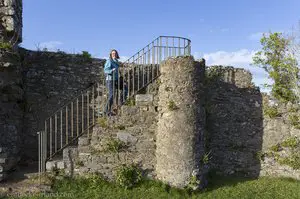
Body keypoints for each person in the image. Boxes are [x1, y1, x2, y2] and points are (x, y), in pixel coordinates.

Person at [104, 49, 128, 116]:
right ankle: (106, 111)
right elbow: (106, 70)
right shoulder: (109, 61)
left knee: (125, 88)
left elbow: (118, 72)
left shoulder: (117, 62)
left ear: (117, 54)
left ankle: (121, 102)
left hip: (116, 80)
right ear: (111, 55)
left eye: (115, 53)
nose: (114, 54)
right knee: (112, 94)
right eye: (113, 53)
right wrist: (112, 70)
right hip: (110, 80)